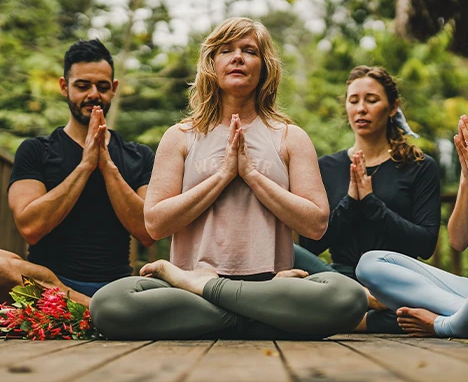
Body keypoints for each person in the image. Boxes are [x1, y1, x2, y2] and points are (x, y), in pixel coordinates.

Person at [90, 17, 368, 340]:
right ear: (212, 64)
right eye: (226, 50)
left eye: (249, 50)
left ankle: (219, 302)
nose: (237, 57)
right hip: (190, 286)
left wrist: (250, 174)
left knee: (350, 297)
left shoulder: (290, 137)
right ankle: (259, 319)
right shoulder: (180, 137)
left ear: (264, 67)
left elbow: (317, 223)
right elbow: (154, 223)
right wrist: (223, 176)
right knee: (109, 304)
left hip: (271, 286)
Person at [0, 39, 154, 307]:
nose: (93, 94)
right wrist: (84, 166)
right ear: (64, 87)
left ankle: (92, 309)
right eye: (82, 86)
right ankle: (93, 310)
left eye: (102, 87)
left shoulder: (139, 156)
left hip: (115, 289)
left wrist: (107, 166)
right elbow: (30, 227)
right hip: (45, 288)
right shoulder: (35, 150)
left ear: (114, 89)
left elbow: (148, 232)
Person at [295, 65, 441, 333]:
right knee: (289, 253)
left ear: (392, 107)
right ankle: (361, 301)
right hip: (338, 281)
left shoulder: (419, 166)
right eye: (354, 101)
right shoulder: (326, 167)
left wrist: (372, 203)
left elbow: (426, 244)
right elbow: (310, 244)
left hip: (395, 283)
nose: (361, 108)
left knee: (422, 313)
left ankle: (355, 318)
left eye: (371, 100)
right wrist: (351, 201)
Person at [356, 114, 468, 338]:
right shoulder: (334, 164)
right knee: (371, 263)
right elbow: (458, 240)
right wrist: (466, 177)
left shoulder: (421, 166)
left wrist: (439, 324)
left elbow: (426, 241)